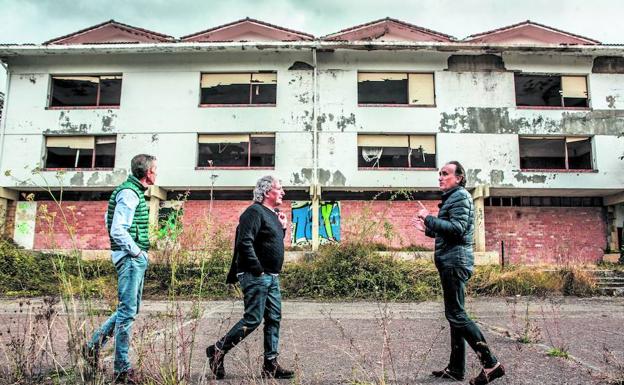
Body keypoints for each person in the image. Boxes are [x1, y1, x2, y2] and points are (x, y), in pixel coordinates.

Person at [412, 161, 505, 385]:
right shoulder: (453, 199)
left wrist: (428, 218)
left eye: (445, 174)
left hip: (455, 262)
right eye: (440, 174)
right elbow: (451, 232)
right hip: (452, 261)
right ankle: (456, 369)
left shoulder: (460, 196)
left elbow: (457, 230)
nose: (440, 177)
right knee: (455, 315)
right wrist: (427, 229)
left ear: (459, 178)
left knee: (456, 314)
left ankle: (491, 364)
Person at [206, 175, 294, 380]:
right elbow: (245, 242)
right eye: (279, 188)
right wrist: (257, 269)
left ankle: (270, 365)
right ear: (266, 192)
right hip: (257, 276)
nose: (283, 192)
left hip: (271, 277)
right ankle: (217, 350)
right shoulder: (253, 212)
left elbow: (271, 243)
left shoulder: (272, 214)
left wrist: (282, 227)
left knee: (273, 318)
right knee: (253, 319)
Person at [83, 154, 157, 384]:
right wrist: (136, 252)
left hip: (130, 257)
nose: (156, 172)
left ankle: (93, 346)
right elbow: (117, 229)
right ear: (146, 172)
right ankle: (122, 369)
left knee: (129, 310)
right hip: (130, 258)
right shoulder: (129, 193)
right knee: (127, 313)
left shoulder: (130, 192)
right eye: (155, 169)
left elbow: (108, 217)